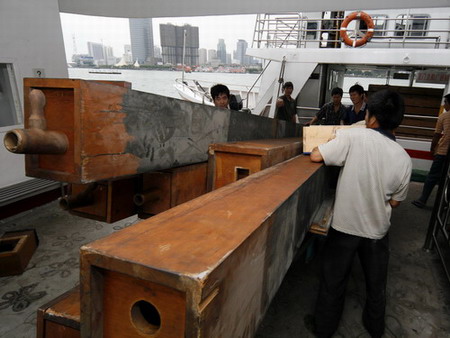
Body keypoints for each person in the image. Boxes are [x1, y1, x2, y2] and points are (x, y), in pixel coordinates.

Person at [310, 89, 412, 338]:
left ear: (372, 117)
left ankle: (324, 328)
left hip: (344, 228)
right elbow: (396, 203)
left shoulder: (353, 137)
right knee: (376, 285)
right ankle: (375, 328)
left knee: (333, 282)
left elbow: (316, 155)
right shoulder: (404, 159)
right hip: (377, 233)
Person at [412, 93, 450, 208]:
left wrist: (433, 147)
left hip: (443, 151)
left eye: (445, 103)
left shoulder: (444, 117)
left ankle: (423, 200)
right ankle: (445, 204)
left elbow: (437, 135)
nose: (444, 105)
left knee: (432, 176)